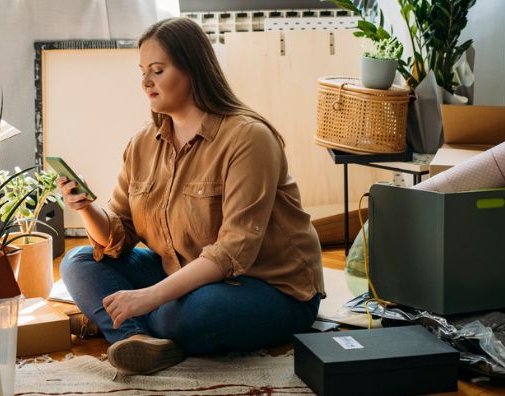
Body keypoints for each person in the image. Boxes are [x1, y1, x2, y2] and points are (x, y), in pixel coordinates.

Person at [57, 17, 325, 376]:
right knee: (78, 262)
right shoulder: (142, 144)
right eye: (142, 72)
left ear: (193, 69)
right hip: (182, 272)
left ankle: (134, 326)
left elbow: (233, 253)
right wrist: (87, 207)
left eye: (157, 70)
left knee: (191, 313)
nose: (146, 82)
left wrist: (149, 296)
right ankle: (139, 340)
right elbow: (118, 236)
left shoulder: (248, 138)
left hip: (269, 287)